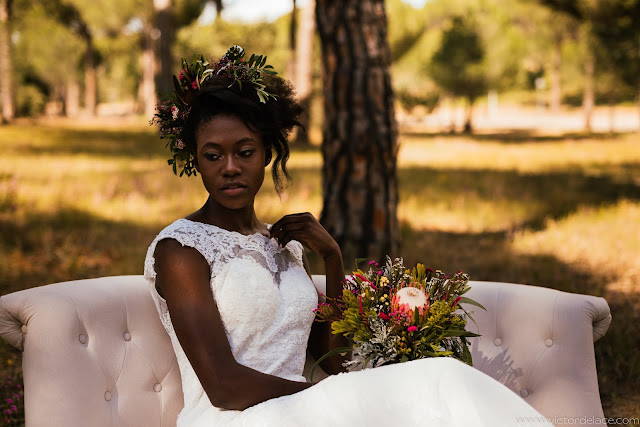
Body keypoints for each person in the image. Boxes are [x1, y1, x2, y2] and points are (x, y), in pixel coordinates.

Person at [145, 46, 551, 426]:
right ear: (196, 161)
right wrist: (326, 395)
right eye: (213, 155)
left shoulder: (283, 244)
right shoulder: (181, 249)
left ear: (267, 154)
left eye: (245, 151)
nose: (229, 167)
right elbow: (223, 386)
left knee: (441, 375)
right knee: (433, 380)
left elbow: (333, 360)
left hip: (303, 410)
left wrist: (333, 257)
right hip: (241, 418)